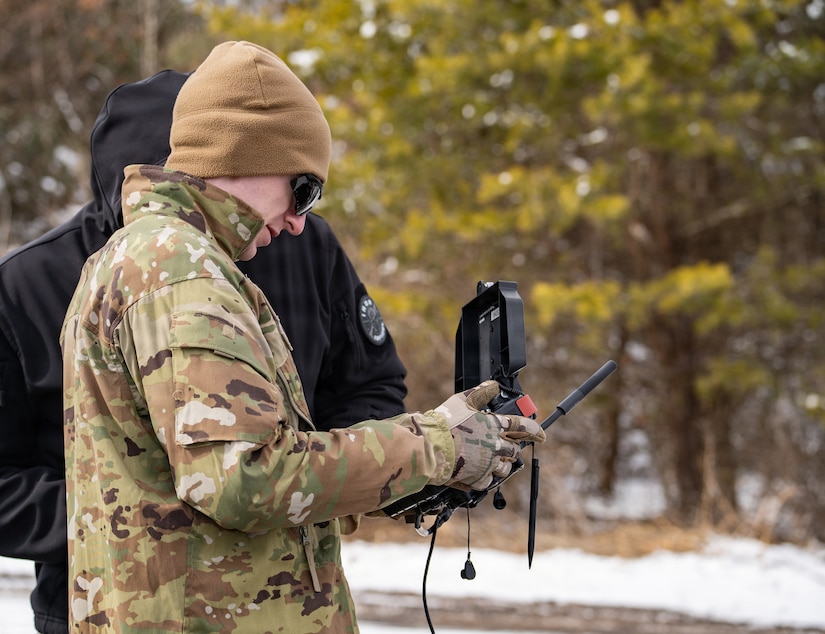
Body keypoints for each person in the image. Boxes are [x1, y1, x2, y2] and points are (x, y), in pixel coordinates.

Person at [61, 41, 545, 633]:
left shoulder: (153, 258)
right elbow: (246, 481)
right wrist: (434, 446)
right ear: (246, 154)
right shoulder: (182, 272)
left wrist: (413, 467)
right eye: (304, 190)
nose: (298, 222)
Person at [0, 68, 407, 633]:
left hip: (279, 602)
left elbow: (369, 385)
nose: (293, 221)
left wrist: (341, 476)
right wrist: (141, 520)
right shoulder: (46, 283)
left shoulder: (299, 242)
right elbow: (243, 485)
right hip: (125, 604)